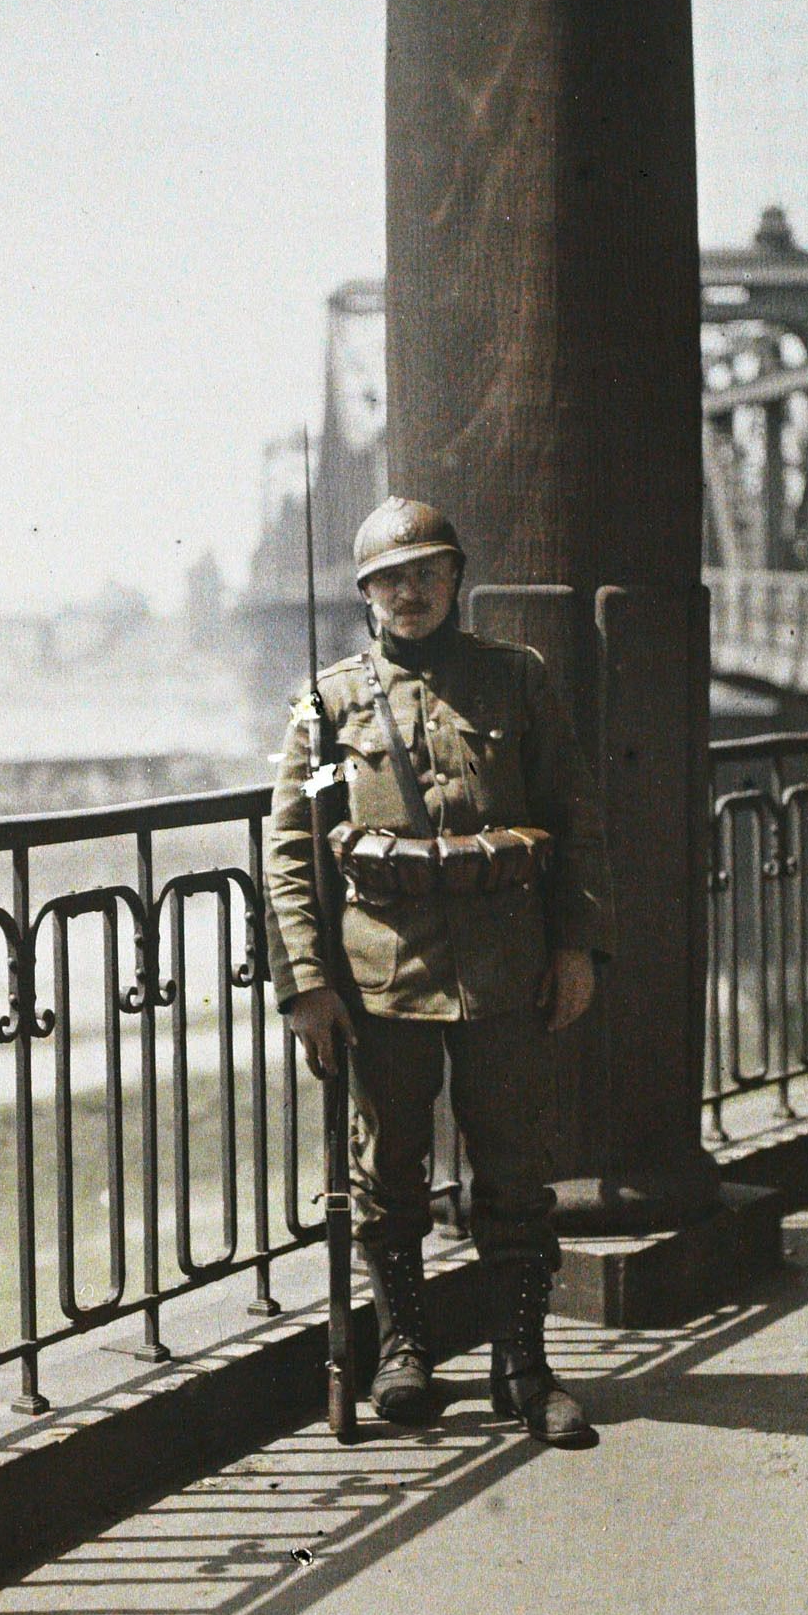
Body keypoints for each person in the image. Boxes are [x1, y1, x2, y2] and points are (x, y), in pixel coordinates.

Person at [264, 496, 615, 1446]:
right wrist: (306, 985)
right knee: (390, 1175)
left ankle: (522, 1367)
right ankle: (404, 1349)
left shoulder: (516, 681)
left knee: (514, 1173)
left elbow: (574, 815)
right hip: (383, 981)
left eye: (424, 572)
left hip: (507, 973)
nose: (407, 593)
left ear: (457, 578)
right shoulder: (329, 704)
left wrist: (576, 944)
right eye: (387, 579)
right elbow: (292, 854)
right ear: (365, 596)